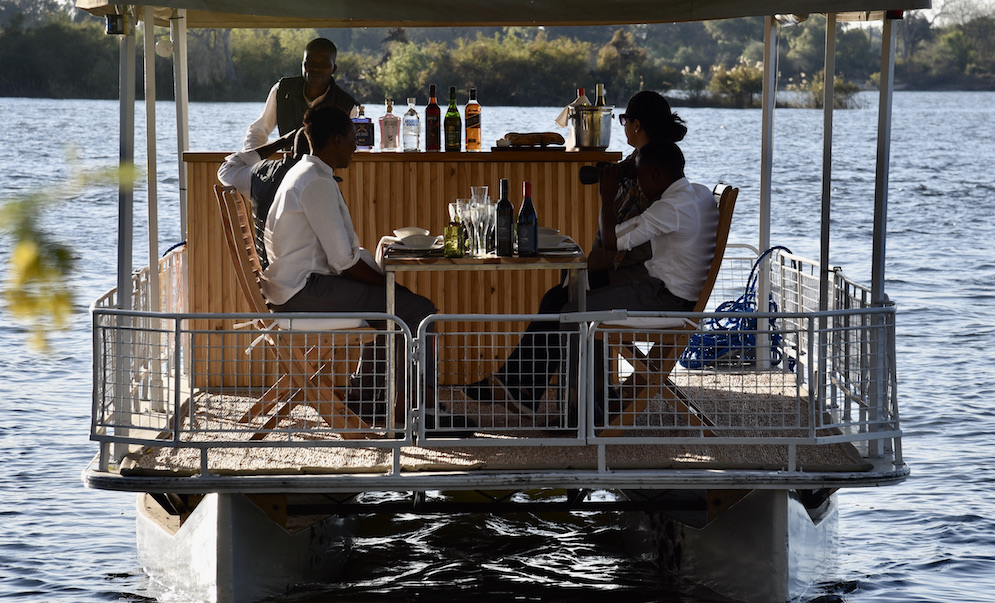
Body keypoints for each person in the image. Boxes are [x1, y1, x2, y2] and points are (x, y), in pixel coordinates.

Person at [463, 140, 718, 417]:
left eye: (641, 176)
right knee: (574, 300)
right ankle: (590, 399)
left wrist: (607, 196)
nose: (639, 185)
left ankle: (581, 412)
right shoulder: (699, 193)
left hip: (665, 299)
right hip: (670, 293)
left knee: (574, 313)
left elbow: (613, 241)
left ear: (657, 175)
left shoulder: (671, 208)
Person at [262, 106, 452, 425]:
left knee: (393, 306)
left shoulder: (305, 173)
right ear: (336, 140)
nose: (355, 146)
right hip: (303, 291)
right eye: (352, 140)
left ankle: (364, 401)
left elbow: (342, 257)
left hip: (294, 286)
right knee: (418, 310)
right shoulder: (315, 182)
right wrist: (391, 287)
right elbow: (344, 262)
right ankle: (419, 412)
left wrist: (386, 286)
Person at [587, 90, 688, 289]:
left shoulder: (649, 170)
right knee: (564, 289)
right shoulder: (661, 161)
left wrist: (590, 264)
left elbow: (631, 245)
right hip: (637, 261)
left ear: (637, 125)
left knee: (564, 294)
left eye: (624, 120)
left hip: (641, 270)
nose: (624, 127)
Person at [242, 37, 358, 152]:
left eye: (324, 64)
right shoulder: (282, 91)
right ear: (302, 65)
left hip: (328, 170)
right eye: (311, 62)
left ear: (334, 68)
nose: (316, 68)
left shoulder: (348, 106)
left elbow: (353, 148)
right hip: (287, 168)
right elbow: (258, 131)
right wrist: (251, 161)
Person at [216, 130, 300, 267]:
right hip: (297, 279)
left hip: (270, 270)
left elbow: (226, 170)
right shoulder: (316, 183)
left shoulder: (264, 174)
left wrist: (281, 142)